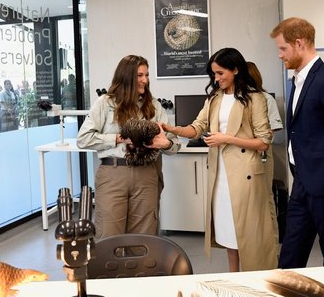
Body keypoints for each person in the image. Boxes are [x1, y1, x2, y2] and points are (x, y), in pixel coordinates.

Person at [162, 48, 278, 272]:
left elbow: (264, 142)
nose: (216, 79)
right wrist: (171, 128)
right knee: (227, 230)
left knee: (249, 233)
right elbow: (196, 128)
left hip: (246, 175)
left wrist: (228, 139)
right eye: (213, 74)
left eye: (220, 73)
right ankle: (233, 276)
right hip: (220, 176)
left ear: (235, 69)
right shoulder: (214, 98)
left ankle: (254, 279)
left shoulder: (254, 99)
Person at [270, 17, 324, 268]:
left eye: (282, 49)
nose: (280, 55)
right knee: (289, 256)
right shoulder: (297, 80)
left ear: (299, 44)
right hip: (302, 183)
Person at [77, 55, 180, 238]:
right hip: (113, 174)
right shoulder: (105, 103)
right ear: (126, 77)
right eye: (140, 75)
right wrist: (119, 138)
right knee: (108, 236)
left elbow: (174, 145)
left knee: (144, 237)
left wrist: (166, 144)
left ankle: (141, 268)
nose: (145, 80)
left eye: (147, 75)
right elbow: (83, 139)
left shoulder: (154, 106)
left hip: (146, 175)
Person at [247, 61, 288, 241]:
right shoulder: (234, 100)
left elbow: (275, 131)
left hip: (261, 154)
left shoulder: (265, 99)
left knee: (265, 198)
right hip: (240, 156)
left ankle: (271, 241)